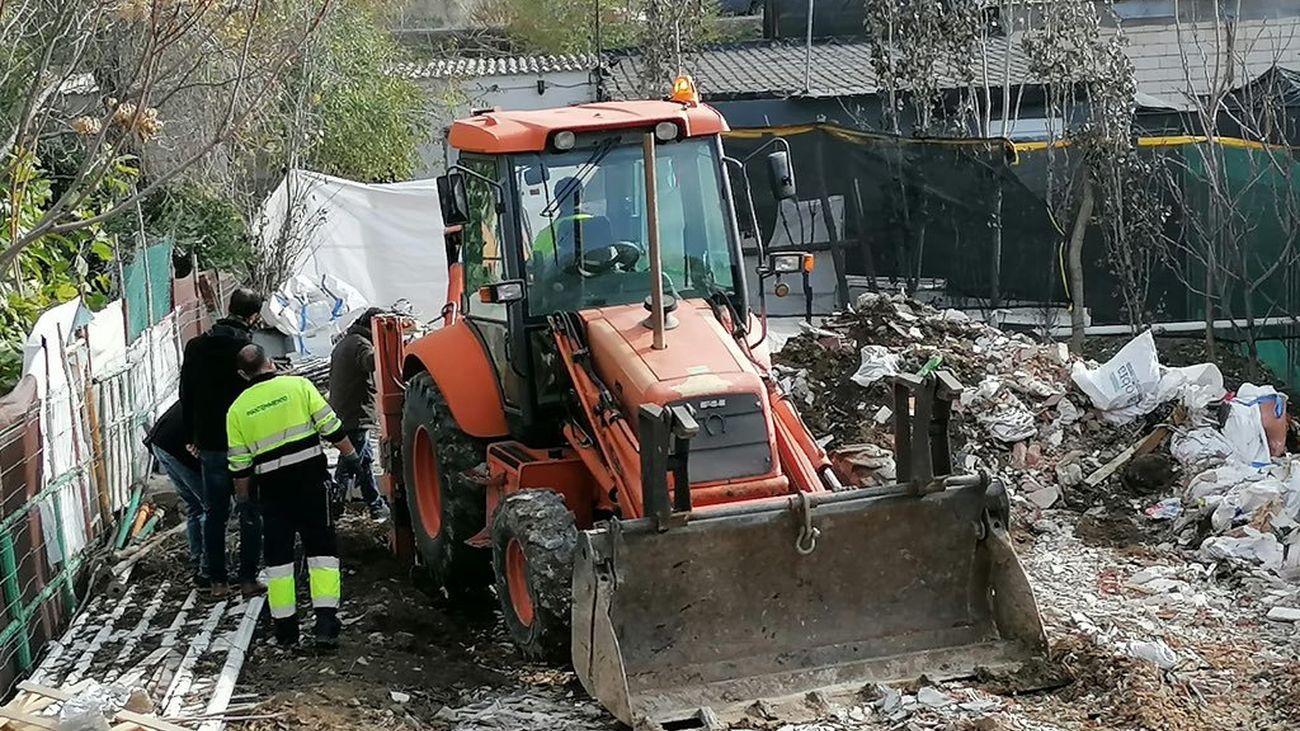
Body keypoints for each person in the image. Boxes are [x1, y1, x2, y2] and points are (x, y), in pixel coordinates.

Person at [226, 343, 361, 648]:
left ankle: (286, 630)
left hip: (272, 494)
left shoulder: (237, 410)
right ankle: (325, 624)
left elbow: (239, 464)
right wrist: (351, 456)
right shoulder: (299, 386)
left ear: (242, 374)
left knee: (279, 562)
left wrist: (244, 501)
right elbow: (331, 426)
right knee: (322, 553)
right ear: (270, 362)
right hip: (312, 484)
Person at [179, 288, 265, 597]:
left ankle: (217, 581)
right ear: (253, 316)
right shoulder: (246, 349)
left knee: (215, 512)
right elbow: (256, 395)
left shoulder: (196, 347)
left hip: (211, 444)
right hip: (243, 442)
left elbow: (185, 393)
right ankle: (247, 579)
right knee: (249, 508)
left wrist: (192, 436)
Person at [327, 308, 390, 521]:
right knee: (350, 463)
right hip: (356, 415)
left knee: (362, 461)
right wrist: (388, 343)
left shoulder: (345, 342)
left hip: (344, 413)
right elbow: (370, 362)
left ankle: (375, 505)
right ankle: (334, 504)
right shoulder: (361, 344)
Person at [144, 401, 207, 583]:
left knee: (196, 507)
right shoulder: (235, 391)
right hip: (177, 445)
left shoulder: (216, 380)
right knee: (214, 508)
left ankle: (198, 563)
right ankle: (207, 570)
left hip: (164, 440)